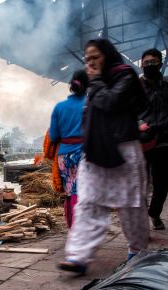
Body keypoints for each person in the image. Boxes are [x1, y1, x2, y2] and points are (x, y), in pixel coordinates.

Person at [60, 39, 149, 273]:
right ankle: (79, 255)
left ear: (107, 56)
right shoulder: (93, 83)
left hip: (123, 147)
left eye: (95, 57)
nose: (90, 63)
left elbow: (110, 102)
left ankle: (137, 250)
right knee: (88, 201)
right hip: (95, 149)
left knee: (130, 204)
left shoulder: (125, 75)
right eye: (87, 58)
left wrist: (97, 80)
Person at [138, 48, 168, 230]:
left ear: (160, 63)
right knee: (141, 181)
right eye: (146, 63)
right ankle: (141, 217)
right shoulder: (135, 85)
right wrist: (139, 123)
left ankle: (155, 212)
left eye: (154, 62)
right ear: (142, 65)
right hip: (142, 140)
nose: (150, 65)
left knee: (163, 182)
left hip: (164, 139)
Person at [48, 69, 88, 228]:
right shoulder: (90, 104)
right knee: (82, 192)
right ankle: (81, 229)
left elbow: (53, 136)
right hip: (84, 153)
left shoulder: (59, 107)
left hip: (64, 156)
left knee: (70, 192)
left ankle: (72, 227)